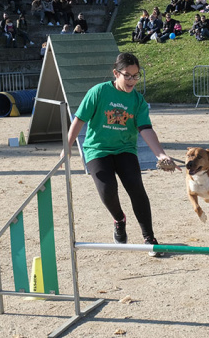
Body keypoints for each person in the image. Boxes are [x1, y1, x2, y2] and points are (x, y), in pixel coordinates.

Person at [63, 52, 177, 258]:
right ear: (116, 73)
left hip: (125, 149)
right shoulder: (98, 92)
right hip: (97, 149)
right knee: (108, 190)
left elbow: (146, 129)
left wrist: (160, 154)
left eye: (136, 76)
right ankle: (119, 219)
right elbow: (79, 120)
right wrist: (67, 147)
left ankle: (149, 238)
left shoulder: (137, 100)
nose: (132, 80)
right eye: (128, 76)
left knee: (136, 189)